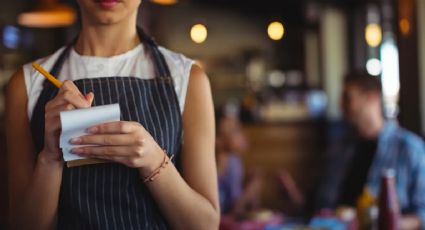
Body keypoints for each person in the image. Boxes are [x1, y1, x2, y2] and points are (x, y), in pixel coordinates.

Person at [6, 0, 219, 229]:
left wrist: (154, 160)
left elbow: (205, 225)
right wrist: (50, 158)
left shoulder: (188, 79)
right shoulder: (27, 84)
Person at [316, 71, 425, 229]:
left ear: (372, 97)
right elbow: (320, 206)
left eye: (348, 98)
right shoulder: (340, 148)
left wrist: (391, 224)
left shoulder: (410, 149)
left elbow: (423, 214)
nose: (341, 105)